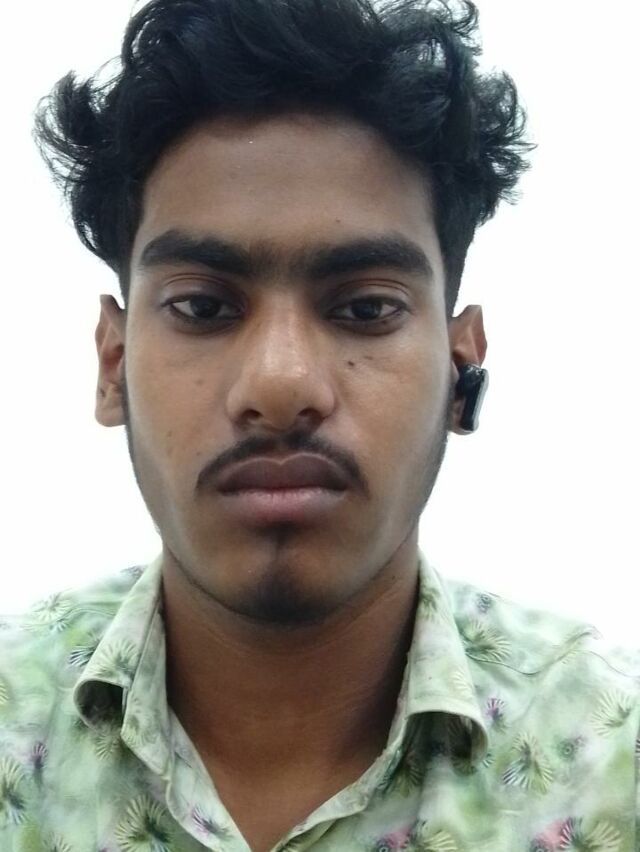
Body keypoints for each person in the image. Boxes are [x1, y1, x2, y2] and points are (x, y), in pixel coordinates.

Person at [0, 0, 637, 849]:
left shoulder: (610, 763)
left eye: (365, 308)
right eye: (202, 306)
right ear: (113, 364)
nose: (281, 384)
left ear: (460, 370)